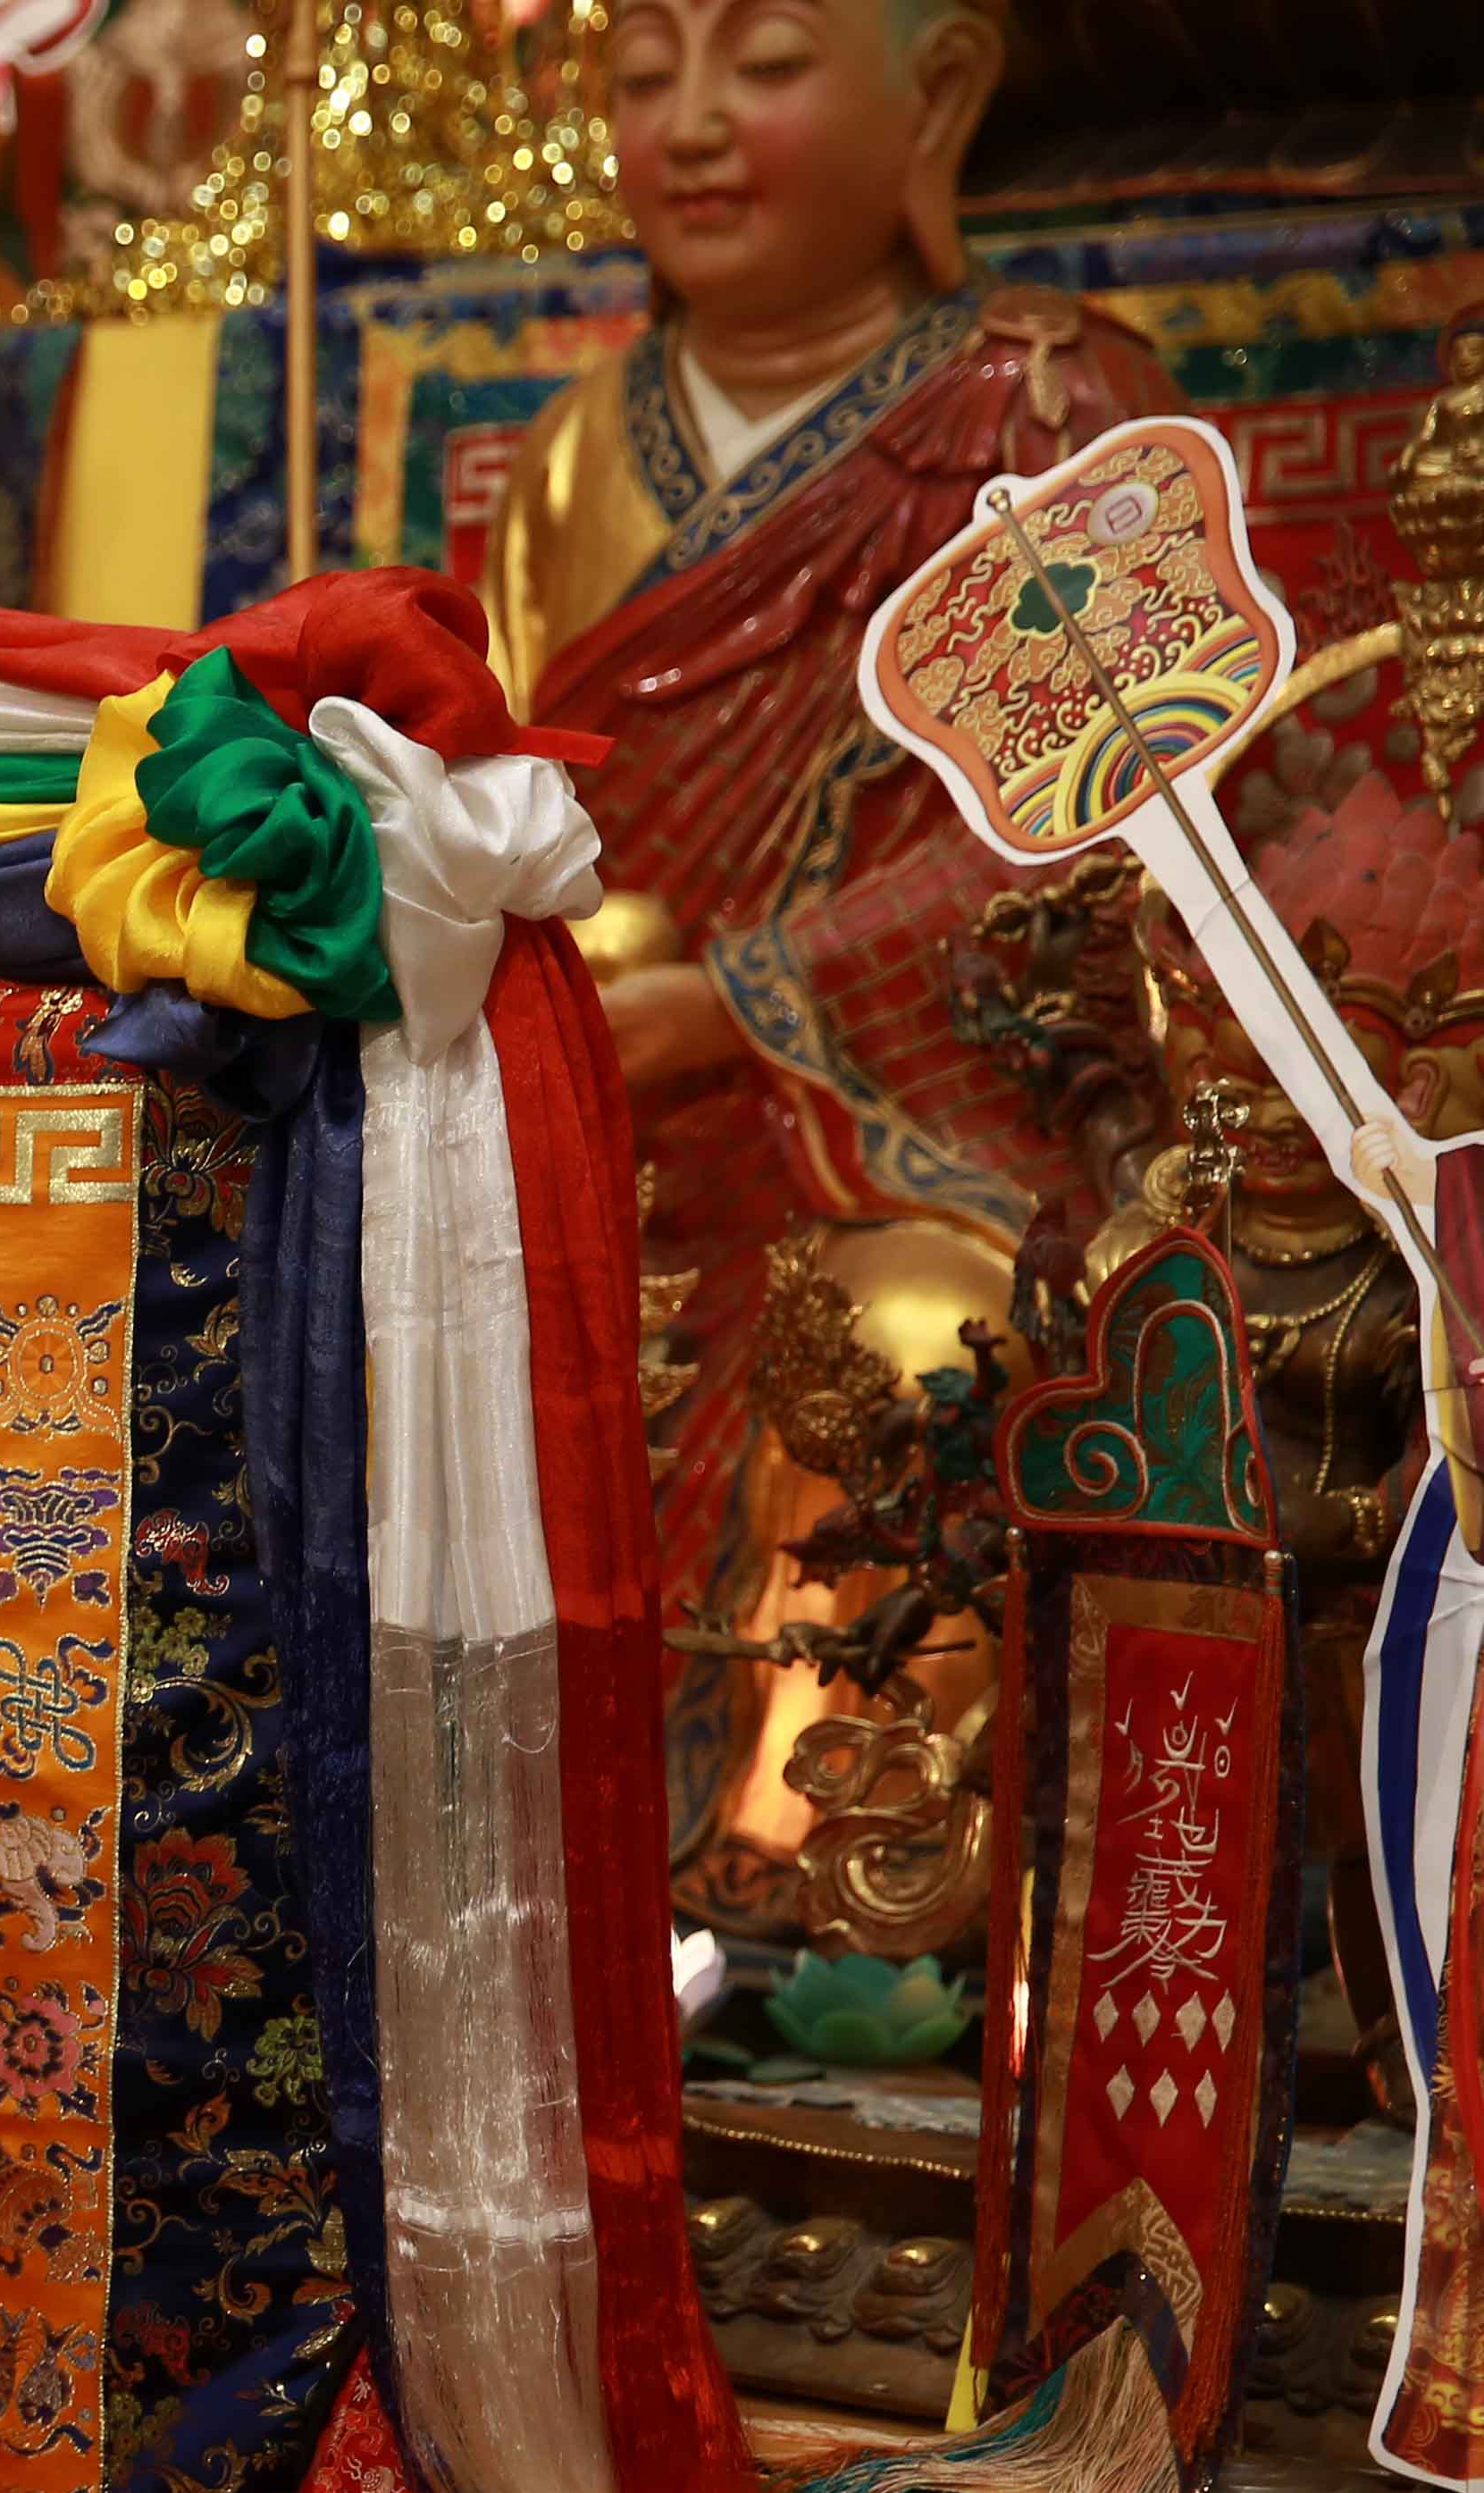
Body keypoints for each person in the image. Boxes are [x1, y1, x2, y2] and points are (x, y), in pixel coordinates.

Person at [472, 0, 1166, 1877]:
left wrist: (741, 1000)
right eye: (644, 76)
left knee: (911, 1343)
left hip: (926, 1127)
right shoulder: (572, 454)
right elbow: (495, 804)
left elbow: (1105, 831)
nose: (690, 124)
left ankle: (828, 1869)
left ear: (938, 94)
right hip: (612, 1125)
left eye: (764, 62)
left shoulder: (1052, 414)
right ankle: (536, 1867)